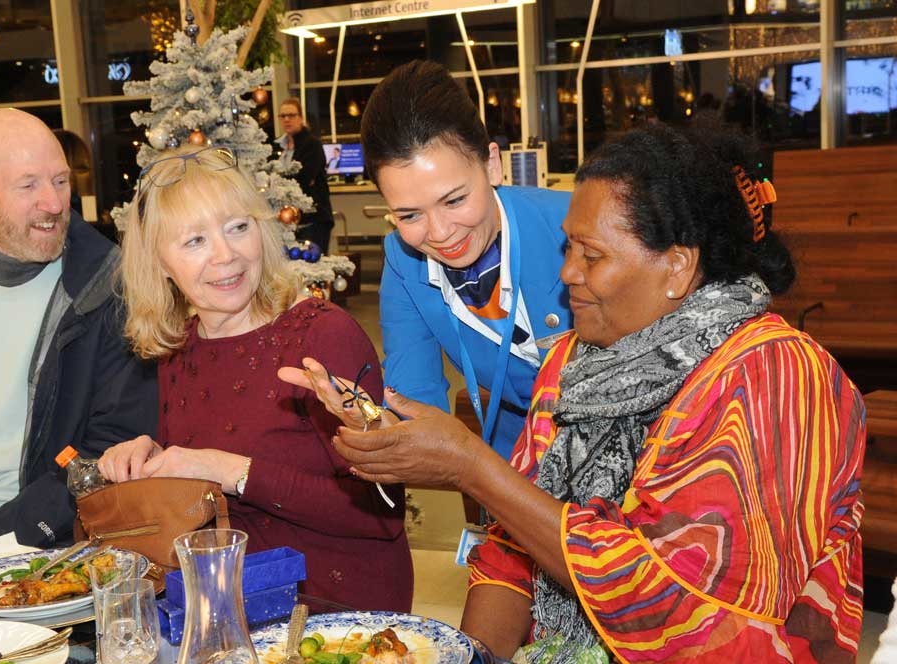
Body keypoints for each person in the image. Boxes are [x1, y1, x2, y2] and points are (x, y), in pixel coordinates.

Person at [282, 125, 865, 662]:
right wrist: (476, 656)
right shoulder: (569, 359)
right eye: (567, 248)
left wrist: (473, 467)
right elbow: (511, 551)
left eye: (593, 255)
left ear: (677, 268)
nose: (566, 274)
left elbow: (686, 613)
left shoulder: (775, 377)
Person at [98, 145, 413, 612]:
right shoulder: (181, 351)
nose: (226, 255)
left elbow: (381, 511)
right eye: (195, 241)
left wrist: (230, 470)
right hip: (229, 606)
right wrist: (153, 459)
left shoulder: (322, 336)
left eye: (237, 227)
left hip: (333, 615)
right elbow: (205, 488)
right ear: (160, 262)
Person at [0, 108, 157, 546]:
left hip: (51, 539)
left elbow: (111, 445)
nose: (54, 204)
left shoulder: (110, 290)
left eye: (60, 181)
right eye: (28, 185)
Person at [362, 60, 573, 461]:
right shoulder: (404, 261)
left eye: (455, 200)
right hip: (516, 461)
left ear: (492, 164)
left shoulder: (574, 226)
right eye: (410, 215)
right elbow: (414, 400)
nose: (441, 233)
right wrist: (373, 426)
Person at [276, 98, 334, 253]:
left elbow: (303, 179)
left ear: (301, 118)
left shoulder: (312, 145)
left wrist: (279, 183)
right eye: (282, 116)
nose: (286, 119)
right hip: (286, 220)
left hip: (313, 218)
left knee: (312, 263)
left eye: (291, 115)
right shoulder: (277, 147)